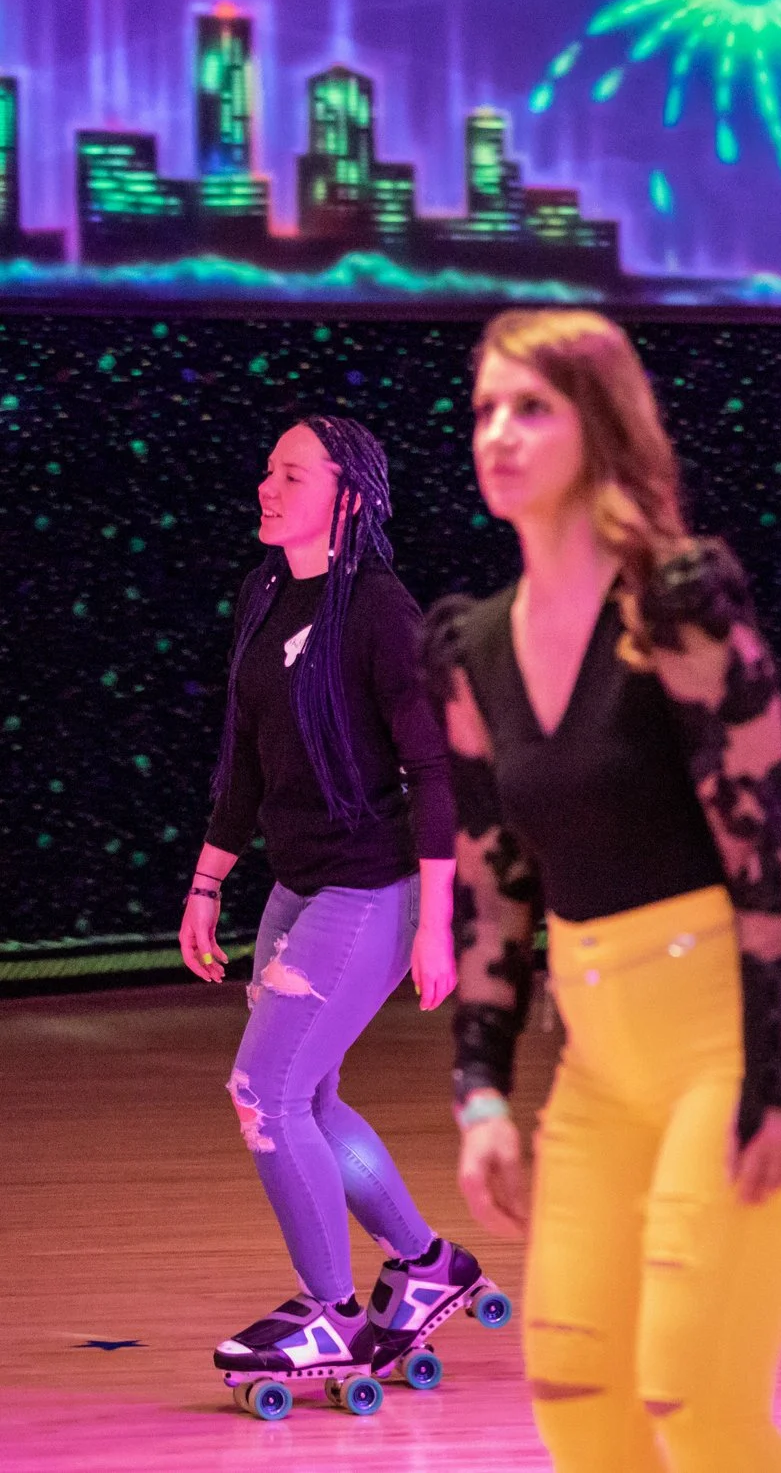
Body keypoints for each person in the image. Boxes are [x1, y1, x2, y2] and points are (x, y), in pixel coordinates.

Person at [429, 309, 781, 1472]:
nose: (499, 433)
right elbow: (494, 885)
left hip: (741, 1036)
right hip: (604, 1057)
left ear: (601, 426)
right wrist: (480, 1094)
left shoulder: (678, 602)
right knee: (579, 1393)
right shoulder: (470, 646)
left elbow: (766, 852)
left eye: (532, 407)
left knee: (696, 1402)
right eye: (483, 410)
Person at [181, 415, 478, 1388]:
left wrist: (436, 922)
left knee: (262, 1093)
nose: (267, 486)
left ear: (346, 495)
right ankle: (428, 1261)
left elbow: (433, 769)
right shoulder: (263, 593)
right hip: (297, 882)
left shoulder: (385, 611)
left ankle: (330, 1312)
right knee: (305, 1094)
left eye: (291, 473)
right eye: (267, 469)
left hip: (372, 885)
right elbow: (248, 763)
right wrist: (209, 881)